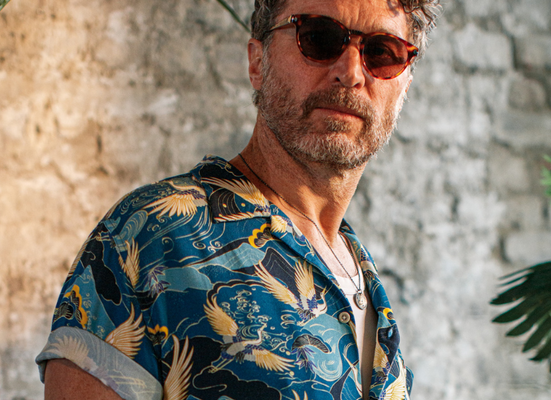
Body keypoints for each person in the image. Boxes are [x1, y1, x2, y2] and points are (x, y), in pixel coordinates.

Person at [36, 0, 440, 398]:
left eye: (382, 52)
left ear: (404, 83)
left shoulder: (361, 272)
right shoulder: (150, 234)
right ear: (257, 62)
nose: (350, 73)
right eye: (319, 38)